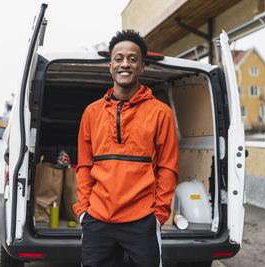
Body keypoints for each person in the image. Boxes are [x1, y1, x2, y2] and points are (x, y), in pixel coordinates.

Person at [73, 30, 179, 267]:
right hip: (98, 218)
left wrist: (158, 215)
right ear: (110, 66)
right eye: (119, 58)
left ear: (141, 67)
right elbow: (83, 165)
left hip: (142, 219)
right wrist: (83, 210)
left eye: (132, 59)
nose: (125, 64)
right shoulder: (91, 112)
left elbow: (168, 166)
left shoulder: (161, 113)